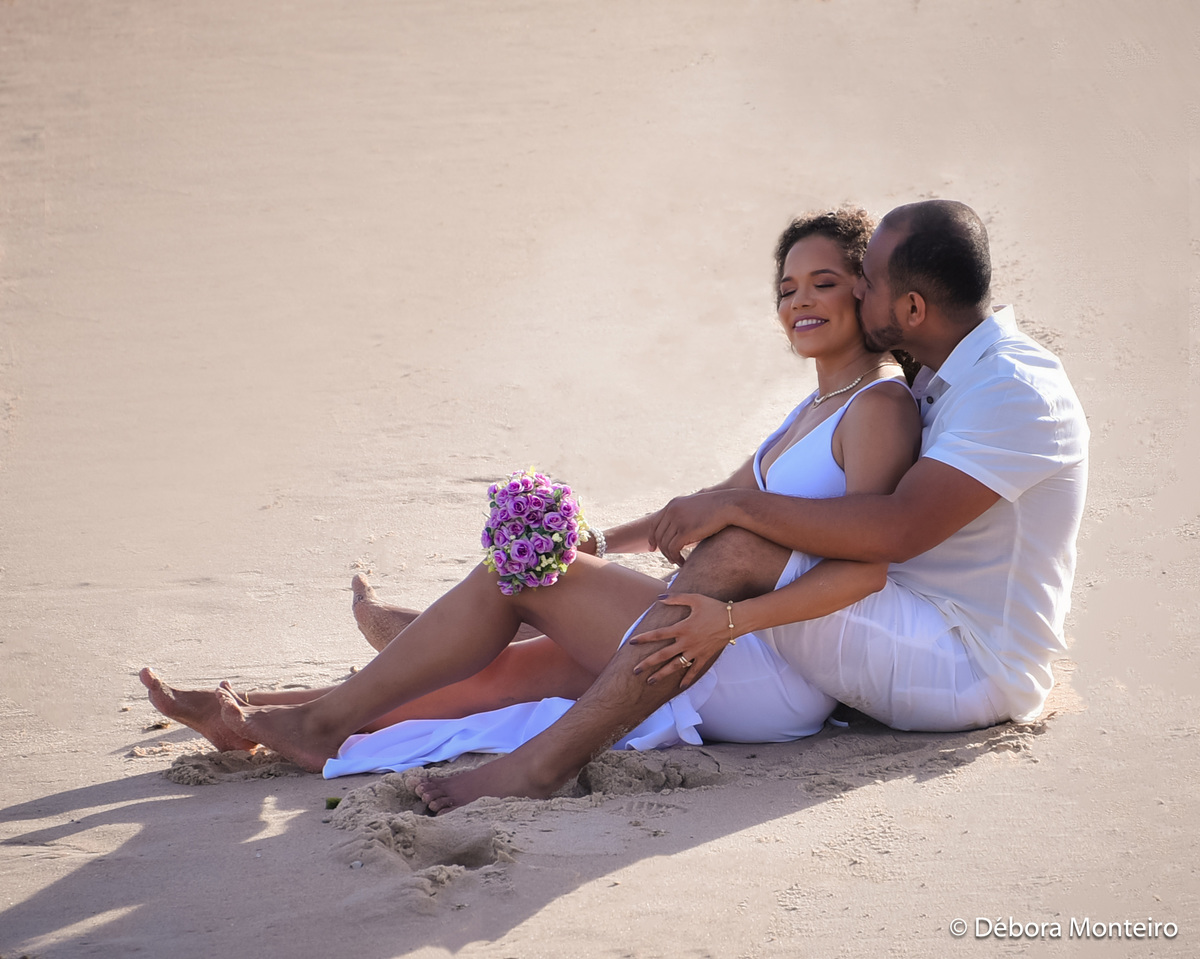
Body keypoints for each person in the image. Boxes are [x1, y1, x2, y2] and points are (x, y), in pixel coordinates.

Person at [141, 207, 922, 780]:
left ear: (864, 291)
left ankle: (339, 703)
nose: (800, 301)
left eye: (823, 283)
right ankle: (255, 712)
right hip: (726, 643)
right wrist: (599, 540)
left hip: (770, 667)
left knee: (523, 574)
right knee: (513, 674)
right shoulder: (810, 411)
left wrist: (727, 617)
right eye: (787, 288)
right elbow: (699, 509)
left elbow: (868, 557)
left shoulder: (878, 406)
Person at [407, 198, 1089, 812]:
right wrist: (615, 539)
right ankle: (456, 645)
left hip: (967, 664)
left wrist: (737, 554)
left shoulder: (1013, 390)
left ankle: (542, 761)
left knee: (736, 546)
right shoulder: (945, 375)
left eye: (868, 281)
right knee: (699, 559)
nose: (857, 289)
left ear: (911, 309)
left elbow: (897, 531)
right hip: (901, 625)